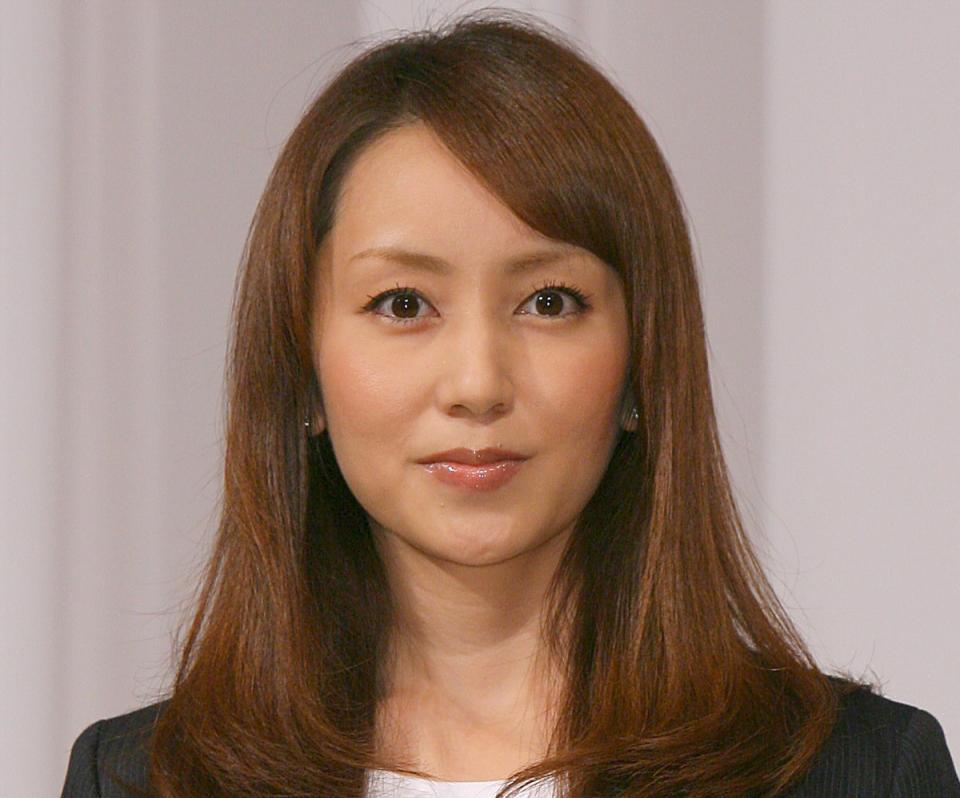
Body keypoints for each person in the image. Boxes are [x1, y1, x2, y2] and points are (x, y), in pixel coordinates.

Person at [60, 10, 959, 798]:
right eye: (403, 304)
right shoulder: (143, 778)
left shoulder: (859, 773)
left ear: (642, 364)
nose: (478, 384)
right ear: (303, 368)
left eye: (548, 302)